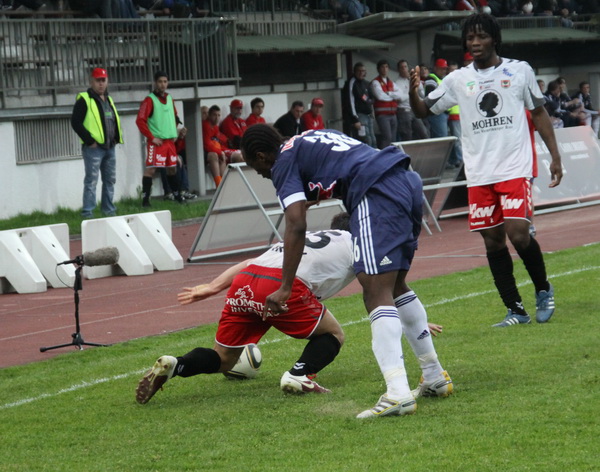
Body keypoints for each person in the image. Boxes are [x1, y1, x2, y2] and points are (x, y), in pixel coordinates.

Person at [240, 125, 453, 418]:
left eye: (257, 168)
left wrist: (285, 286)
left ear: (261, 156)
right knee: (394, 285)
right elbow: (342, 163)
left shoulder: (282, 162)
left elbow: (296, 224)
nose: (262, 174)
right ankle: (434, 376)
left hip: (374, 191)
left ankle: (397, 393)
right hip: (405, 180)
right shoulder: (307, 137)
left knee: (375, 291)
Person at [136, 212, 447, 405]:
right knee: (334, 334)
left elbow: (249, 262)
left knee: (224, 359)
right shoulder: (358, 243)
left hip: (246, 280)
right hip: (283, 286)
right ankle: (300, 374)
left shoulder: (311, 237)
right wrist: (410, 321)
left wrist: (213, 287)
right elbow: (379, 292)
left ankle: (177, 364)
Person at [409, 13, 562, 328]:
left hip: (514, 167)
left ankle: (543, 289)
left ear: (495, 39)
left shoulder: (519, 71)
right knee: (492, 241)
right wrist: (413, 92)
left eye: (481, 36)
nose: (475, 43)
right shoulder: (457, 79)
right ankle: (515, 310)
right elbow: (423, 110)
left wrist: (555, 156)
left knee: (518, 234)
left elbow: (539, 113)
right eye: (470, 38)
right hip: (479, 173)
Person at [71, 67, 123, 218]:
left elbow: (113, 121)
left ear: (107, 81)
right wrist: (89, 140)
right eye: (98, 80)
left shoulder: (109, 99)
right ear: (91, 81)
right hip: (93, 148)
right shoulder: (84, 99)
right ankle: (87, 213)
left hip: (109, 147)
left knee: (110, 180)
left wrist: (115, 138)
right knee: (91, 181)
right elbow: (75, 122)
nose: (101, 84)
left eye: (103, 80)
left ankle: (108, 210)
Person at [136, 70, 187, 207]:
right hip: (157, 142)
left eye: (165, 81)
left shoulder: (170, 98)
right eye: (160, 81)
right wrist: (151, 138)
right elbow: (140, 121)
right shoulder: (149, 100)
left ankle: (177, 196)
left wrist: (176, 132)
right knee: (151, 169)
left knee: (172, 169)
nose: (163, 84)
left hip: (170, 142)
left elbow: (174, 118)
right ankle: (145, 200)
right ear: (155, 83)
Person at [202, 105, 243, 187]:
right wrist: (220, 152)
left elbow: (219, 142)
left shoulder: (215, 127)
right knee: (216, 155)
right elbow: (206, 144)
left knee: (224, 156)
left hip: (218, 149)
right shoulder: (205, 126)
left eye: (218, 115)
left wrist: (221, 151)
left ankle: (225, 183)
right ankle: (219, 184)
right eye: (214, 115)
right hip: (204, 152)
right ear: (209, 115)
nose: (217, 118)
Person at [341, 62, 376, 147]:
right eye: (359, 71)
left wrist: (372, 111)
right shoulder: (351, 83)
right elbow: (350, 102)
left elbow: (372, 98)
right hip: (359, 116)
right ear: (355, 72)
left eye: (363, 71)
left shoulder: (366, 83)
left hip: (369, 115)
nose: (361, 73)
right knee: (366, 139)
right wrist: (355, 119)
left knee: (373, 139)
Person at [395, 59, 428, 142]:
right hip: (404, 110)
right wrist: (412, 93)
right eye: (402, 67)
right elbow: (401, 98)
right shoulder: (397, 83)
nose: (404, 69)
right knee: (407, 135)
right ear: (399, 70)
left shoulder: (411, 79)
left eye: (405, 67)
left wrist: (415, 81)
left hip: (413, 109)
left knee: (423, 133)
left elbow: (421, 93)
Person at [371, 59, 402, 149]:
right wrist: (393, 96)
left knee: (393, 139)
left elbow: (400, 95)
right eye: (382, 67)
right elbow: (380, 96)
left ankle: (392, 155)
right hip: (382, 115)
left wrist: (389, 93)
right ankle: (384, 154)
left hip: (393, 114)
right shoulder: (375, 82)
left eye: (386, 67)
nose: (385, 69)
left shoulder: (391, 82)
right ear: (378, 69)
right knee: (387, 137)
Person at [424, 58, 449, 139]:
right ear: (435, 68)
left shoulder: (443, 79)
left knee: (443, 137)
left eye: (445, 69)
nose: (443, 71)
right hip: (436, 113)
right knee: (442, 138)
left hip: (443, 112)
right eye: (441, 69)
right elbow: (431, 97)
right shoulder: (431, 78)